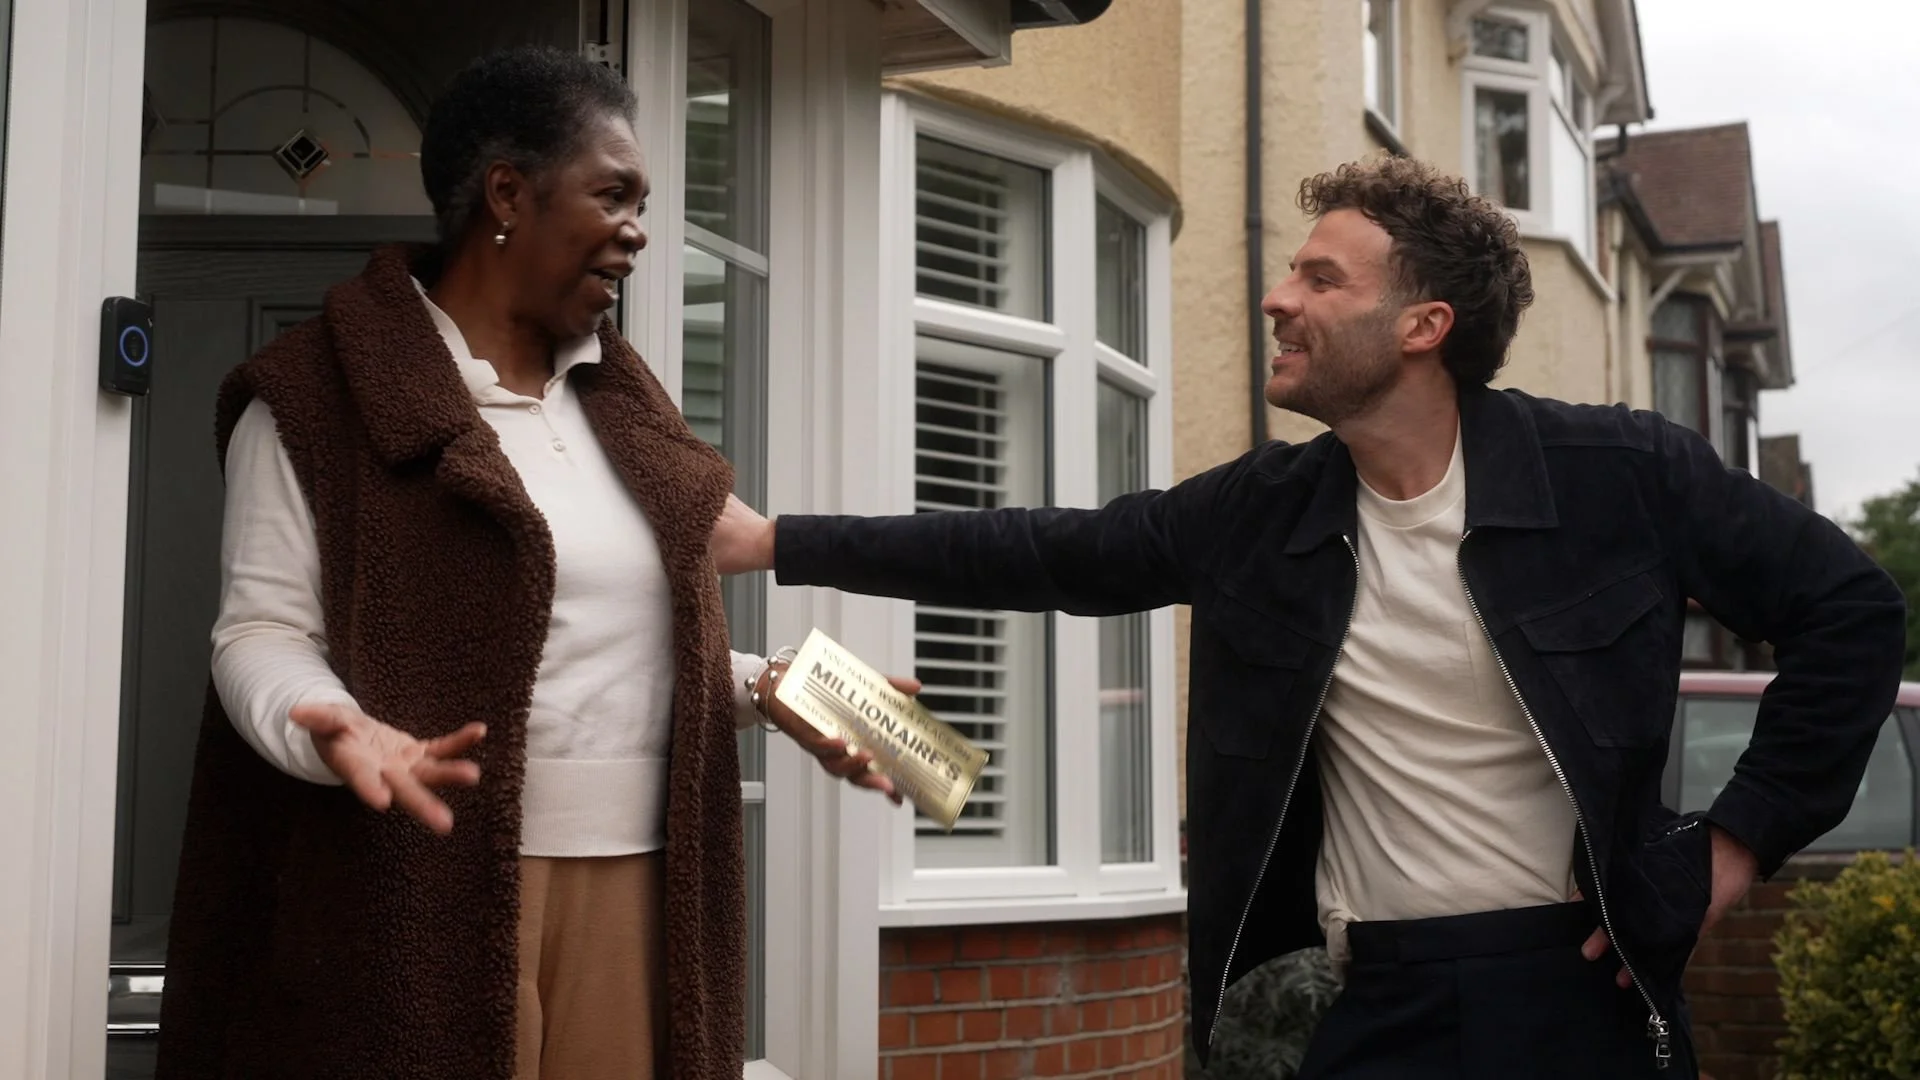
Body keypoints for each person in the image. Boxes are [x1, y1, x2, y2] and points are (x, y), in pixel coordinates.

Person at [708, 156, 1908, 1078]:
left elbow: (1849, 613)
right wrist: (773, 543)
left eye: (1321, 279)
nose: (1279, 298)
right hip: (1370, 994)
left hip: (1575, 988)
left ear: (1425, 326)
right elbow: (1049, 548)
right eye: (1290, 272)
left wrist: (1732, 849)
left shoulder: (1618, 474)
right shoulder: (1265, 513)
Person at [157, 46, 893, 1080]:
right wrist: (330, 729)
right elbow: (261, 633)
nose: (640, 232)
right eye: (615, 196)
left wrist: (777, 690)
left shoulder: (626, 409)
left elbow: (630, 644)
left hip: (639, 887)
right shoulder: (315, 398)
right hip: (418, 881)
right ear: (508, 192)